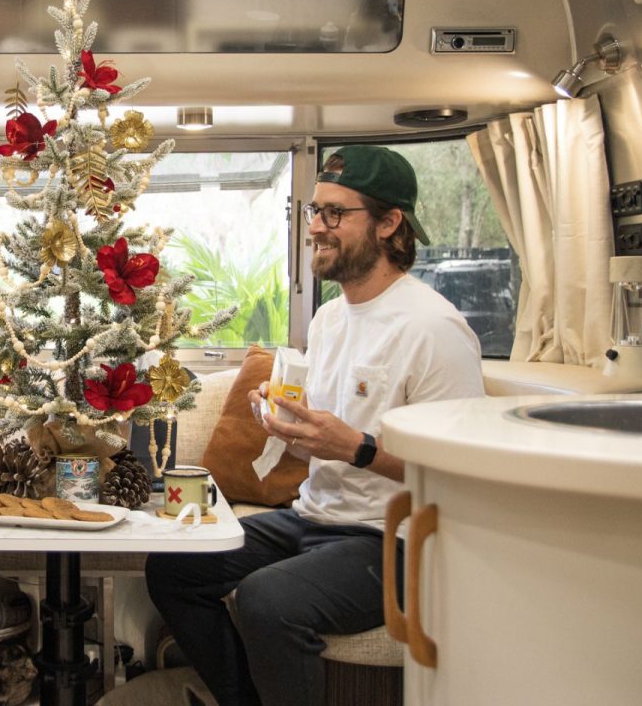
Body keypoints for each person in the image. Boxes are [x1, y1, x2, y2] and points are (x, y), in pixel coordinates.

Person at [145, 145, 484, 706]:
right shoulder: (329, 318)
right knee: (173, 566)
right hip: (313, 518)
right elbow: (319, 433)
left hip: (394, 540)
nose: (317, 228)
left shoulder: (434, 329)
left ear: (389, 223)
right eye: (313, 212)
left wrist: (359, 450)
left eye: (334, 214)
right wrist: (280, 419)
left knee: (267, 599)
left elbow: (465, 474)